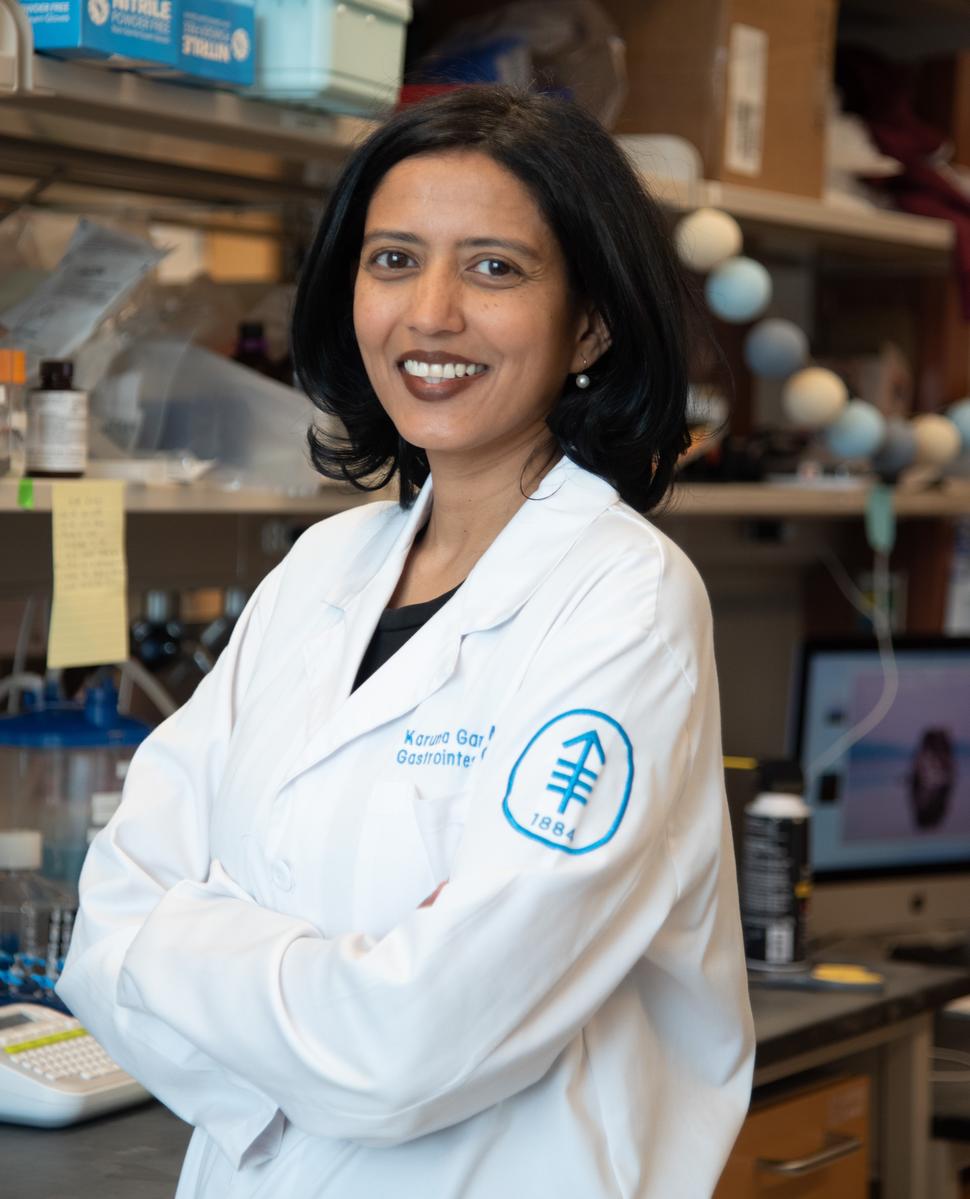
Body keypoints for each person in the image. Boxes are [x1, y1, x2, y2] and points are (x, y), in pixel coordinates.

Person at [57, 87, 754, 1197]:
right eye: (393, 260)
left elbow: (410, 1046)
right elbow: (104, 931)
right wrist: (320, 999)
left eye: (494, 268)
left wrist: (199, 941)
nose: (430, 314)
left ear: (589, 321)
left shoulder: (625, 599)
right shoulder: (320, 571)